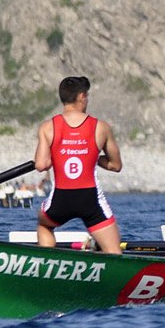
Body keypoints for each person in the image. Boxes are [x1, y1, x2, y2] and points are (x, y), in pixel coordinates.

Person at [34, 76, 123, 254]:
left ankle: (46, 261)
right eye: (87, 96)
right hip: (90, 199)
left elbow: (41, 165)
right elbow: (116, 165)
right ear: (81, 96)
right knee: (114, 252)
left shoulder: (47, 127)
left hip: (61, 199)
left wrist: (58, 155)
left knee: (44, 225)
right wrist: (93, 158)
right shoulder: (101, 127)